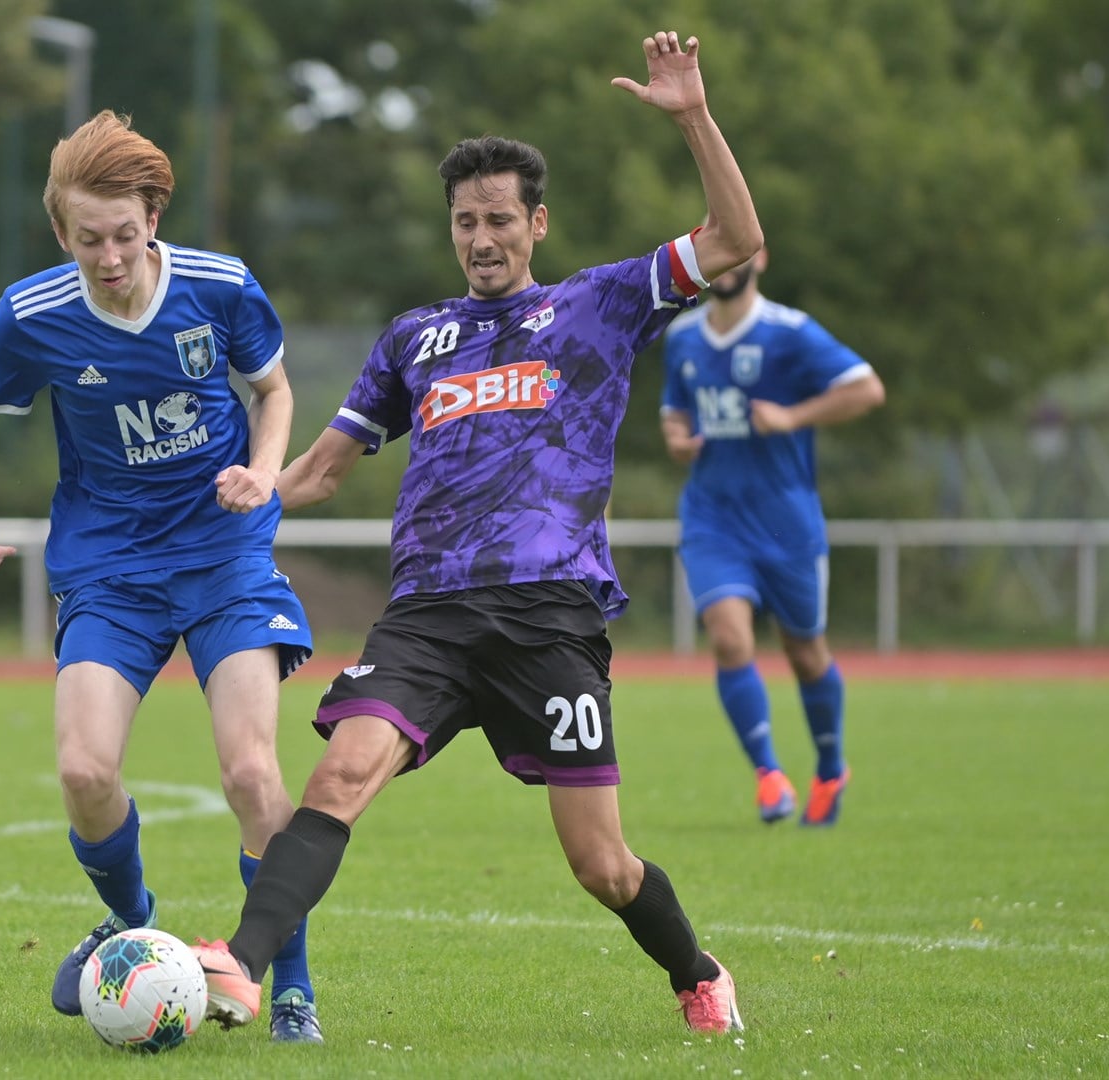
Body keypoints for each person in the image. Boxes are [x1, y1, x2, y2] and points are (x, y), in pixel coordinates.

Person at [192, 30, 761, 1035]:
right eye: (466, 221)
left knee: (601, 864)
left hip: (550, 617)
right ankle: (240, 963)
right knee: (340, 774)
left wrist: (692, 119)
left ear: (537, 223)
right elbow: (325, 467)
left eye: (501, 218)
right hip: (428, 619)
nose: (482, 237)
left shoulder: (600, 303)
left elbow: (733, 244)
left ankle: (697, 971)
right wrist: (258, 487)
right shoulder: (417, 338)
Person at [0, 111, 322, 1043]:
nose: (107, 257)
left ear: (152, 217)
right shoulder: (32, 314)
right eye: (85, 238)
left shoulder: (218, 288)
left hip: (225, 557)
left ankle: (290, 986)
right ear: (60, 232)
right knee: (83, 769)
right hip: (109, 569)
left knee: (251, 773)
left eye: (122, 234)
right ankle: (132, 917)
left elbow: (273, 392)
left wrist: (265, 471)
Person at [660, 245, 884, 826]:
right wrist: (678, 436)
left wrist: (793, 416)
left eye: (741, 255)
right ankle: (768, 775)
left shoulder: (791, 332)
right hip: (713, 518)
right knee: (730, 641)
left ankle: (831, 768)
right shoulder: (683, 336)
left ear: (760, 262)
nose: (729, 266)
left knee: (805, 653)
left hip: (787, 524)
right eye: (721, 254)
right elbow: (674, 412)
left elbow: (866, 389)